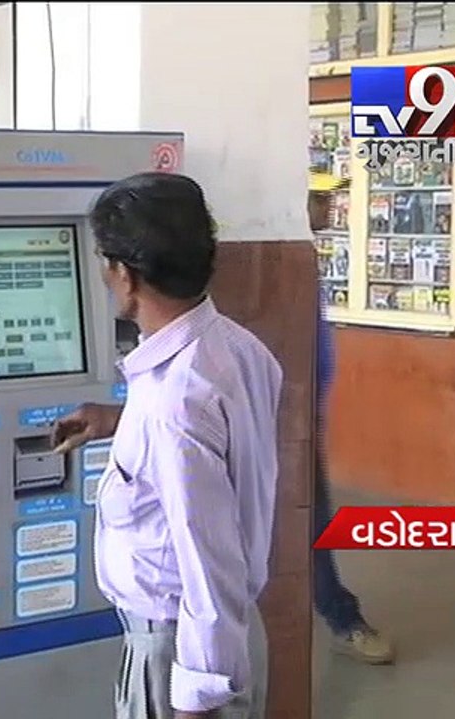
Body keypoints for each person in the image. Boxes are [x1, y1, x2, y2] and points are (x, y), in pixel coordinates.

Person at [52, 173, 283, 719]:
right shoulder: (236, 349)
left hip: (180, 655)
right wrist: (121, 420)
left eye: (104, 260)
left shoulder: (174, 404)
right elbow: (220, 445)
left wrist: (197, 699)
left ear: (125, 274)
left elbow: (207, 561)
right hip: (233, 633)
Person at [308, 170, 395, 664]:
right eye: (320, 200)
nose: (329, 209)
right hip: (283, 420)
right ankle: (344, 619)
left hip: (307, 414)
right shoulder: (283, 263)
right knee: (312, 520)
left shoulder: (308, 259)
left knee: (311, 518)